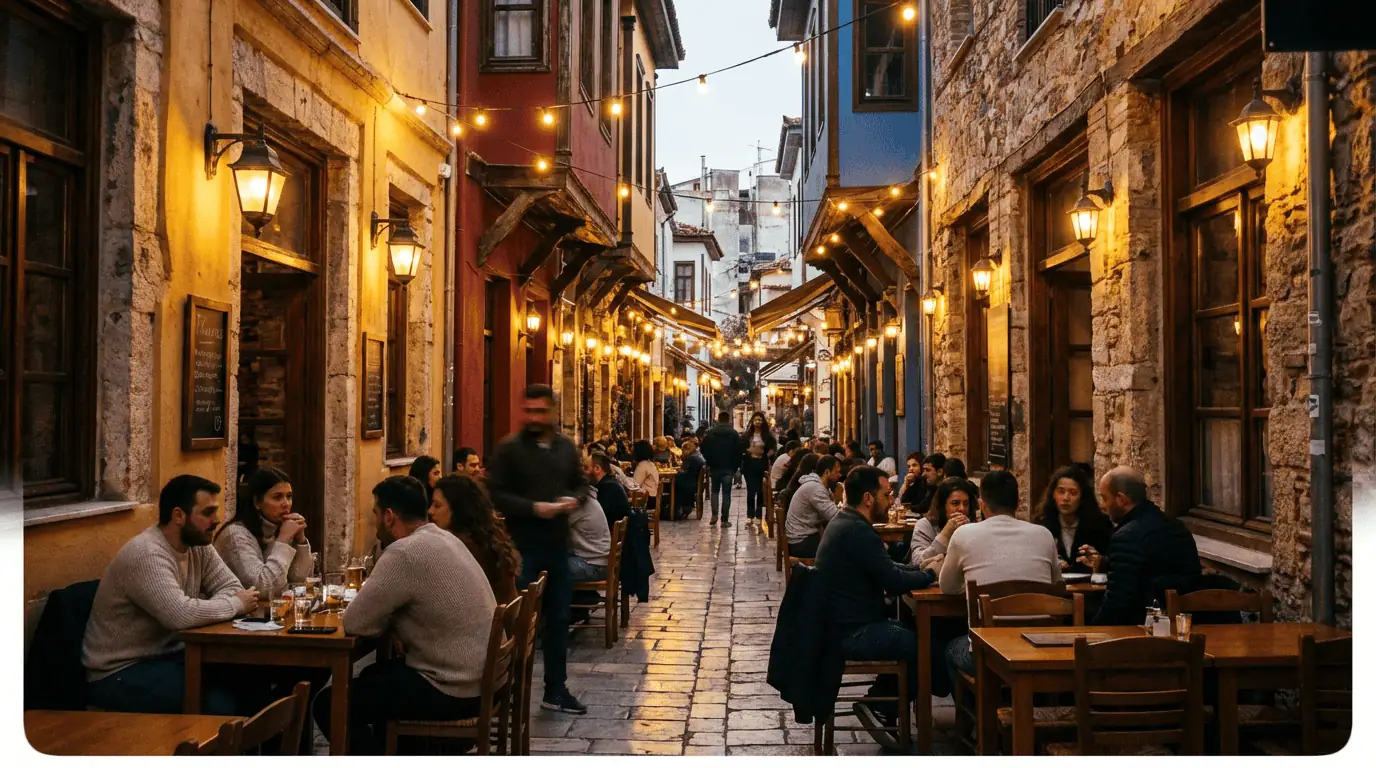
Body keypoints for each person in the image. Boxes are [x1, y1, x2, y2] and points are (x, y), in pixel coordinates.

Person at [314, 476, 496, 755]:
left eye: (375, 514)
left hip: (453, 689)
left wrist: (389, 620)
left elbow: (355, 622)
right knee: (375, 678)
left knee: (330, 703)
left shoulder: (404, 552)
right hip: (484, 681)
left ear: (389, 517)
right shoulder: (443, 537)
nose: (374, 524)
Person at [83, 475, 259, 715]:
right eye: (207, 513)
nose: (217, 520)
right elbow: (180, 615)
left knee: (252, 683)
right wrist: (234, 605)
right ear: (179, 516)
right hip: (121, 671)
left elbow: (231, 586)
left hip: (172, 657)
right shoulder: (147, 553)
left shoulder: (199, 545)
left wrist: (212, 606)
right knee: (218, 704)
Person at [814, 466, 939, 747]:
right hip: (850, 632)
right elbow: (892, 581)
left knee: (910, 633)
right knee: (925, 646)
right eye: (887, 494)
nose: (892, 499)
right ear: (869, 499)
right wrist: (930, 575)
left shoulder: (848, 523)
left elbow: (886, 567)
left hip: (842, 624)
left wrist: (919, 566)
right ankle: (879, 703)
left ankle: (883, 703)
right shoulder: (856, 530)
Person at [486, 384, 587, 714]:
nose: (534, 417)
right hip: (522, 548)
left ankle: (555, 689)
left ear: (552, 412)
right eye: (529, 411)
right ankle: (508, 692)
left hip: (558, 546)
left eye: (540, 411)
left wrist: (576, 498)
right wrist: (533, 508)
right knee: (517, 622)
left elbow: (581, 483)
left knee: (558, 620)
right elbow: (497, 494)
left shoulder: (565, 449)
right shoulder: (509, 450)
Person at [1082, 467, 1201, 626]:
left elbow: (1119, 599)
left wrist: (1092, 631)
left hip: (1146, 626)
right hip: (1187, 623)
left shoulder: (1126, 536)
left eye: (1105, 498)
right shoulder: (1175, 525)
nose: (1103, 506)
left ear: (1121, 499)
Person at [937, 470, 1060, 594]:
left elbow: (948, 587)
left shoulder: (963, 535)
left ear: (982, 505)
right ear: (1018, 504)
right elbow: (1057, 584)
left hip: (988, 613)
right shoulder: (1044, 535)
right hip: (1040, 612)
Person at [214, 466, 313, 597]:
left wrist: (300, 541)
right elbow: (264, 588)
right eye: (277, 498)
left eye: (289, 496)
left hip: (269, 613)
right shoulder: (235, 536)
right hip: (236, 616)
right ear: (256, 502)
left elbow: (299, 582)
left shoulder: (278, 527)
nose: (286, 504)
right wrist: (283, 541)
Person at [430, 475, 521, 604]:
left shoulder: (461, 547)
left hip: (489, 620)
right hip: (503, 619)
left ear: (458, 510)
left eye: (437, 505)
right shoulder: (489, 536)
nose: (430, 511)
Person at [1032, 465, 1113, 574]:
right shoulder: (1042, 524)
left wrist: (1100, 562)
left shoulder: (1100, 524)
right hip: (1054, 588)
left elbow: (1113, 561)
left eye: (1073, 493)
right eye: (1061, 491)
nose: (1066, 498)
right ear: (1053, 494)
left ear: (1082, 497)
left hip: (1091, 588)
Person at [907, 477, 976, 568]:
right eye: (955, 503)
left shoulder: (972, 525)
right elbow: (918, 562)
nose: (962, 509)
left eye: (966, 504)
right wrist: (945, 534)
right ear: (942, 506)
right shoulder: (925, 525)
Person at [785, 455, 843, 558]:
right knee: (839, 554)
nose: (839, 475)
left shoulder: (819, 486)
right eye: (837, 472)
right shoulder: (815, 488)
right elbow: (834, 515)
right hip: (802, 542)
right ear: (827, 472)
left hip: (802, 537)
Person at [699, 410, 743, 528]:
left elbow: (703, 448)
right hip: (729, 467)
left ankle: (714, 514)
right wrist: (735, 465)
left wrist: (709, 460)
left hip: (715, 467)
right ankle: (724, 520)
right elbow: (739, 451)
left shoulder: (711, 433)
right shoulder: (733, 434)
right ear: (728, 420)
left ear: (718, 419)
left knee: (714, 491)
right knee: (726, 494)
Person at [740, 411, 778, 527]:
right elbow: (741, 447)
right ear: (752, 421)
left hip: (761, 464)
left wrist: (767, 455)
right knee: (751, 491)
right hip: (749, 465)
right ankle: (750, 515)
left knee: (761, 491)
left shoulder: (767, 436)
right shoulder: (747, 435)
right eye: (756, 420)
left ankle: (758, 515)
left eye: (760, 420)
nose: (758, 422)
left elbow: (772, 449)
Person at [567, 491, 612, 583]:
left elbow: (553, 529)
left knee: (551, 569)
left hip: (594, 565)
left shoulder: (578, 503)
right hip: (599, 561)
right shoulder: (588, 498)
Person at [587, 452, 632, 528]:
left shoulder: (606, 487)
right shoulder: (611, 482)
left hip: (609, 534)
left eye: (586, 468)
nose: (583, 472)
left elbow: (597, 517)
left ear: (597, 468)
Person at [675, 437, 707, 520]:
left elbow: (687, 473)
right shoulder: (696, 455)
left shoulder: (692, 458)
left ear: (686, 449)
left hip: (691, 482)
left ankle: (676, 508)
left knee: (673, 484)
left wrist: (677, 474)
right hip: (694, 481)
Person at [630, 440, 660, 516]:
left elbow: (635, 485)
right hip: (653, 498)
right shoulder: (650, 464)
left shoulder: (642, 466)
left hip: (647, 500)